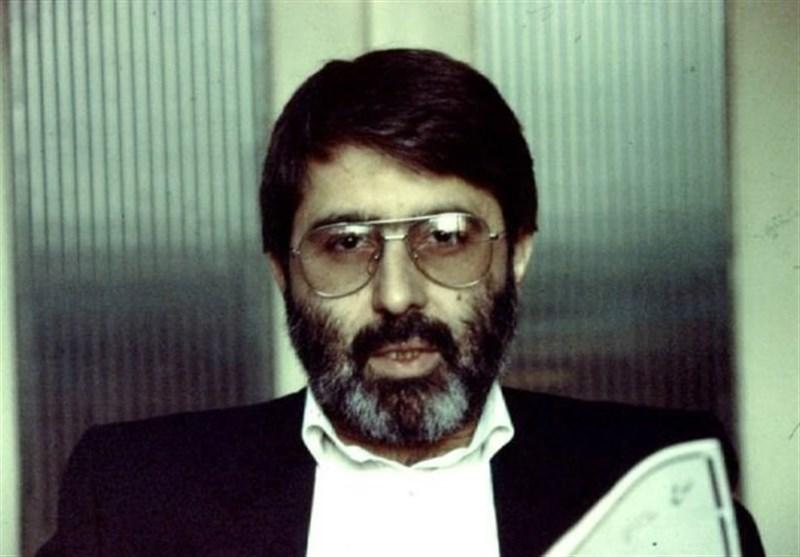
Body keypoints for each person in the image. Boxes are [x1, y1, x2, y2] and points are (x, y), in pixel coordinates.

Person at [38, 48, 763, 556]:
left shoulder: (660, 483)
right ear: (282, 271)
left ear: (516, 253)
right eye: (346, 242)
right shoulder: (135, 493)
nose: (396, 295)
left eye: (445, 237)